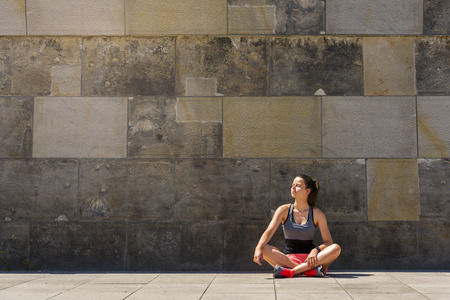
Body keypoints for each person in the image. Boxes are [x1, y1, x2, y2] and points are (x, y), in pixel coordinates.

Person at [253, 174, 341, 278]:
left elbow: (328, 242)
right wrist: (258, 248)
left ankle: (292, 272)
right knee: (263, 248)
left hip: (312, 259)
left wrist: (315, 250)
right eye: (292, 185)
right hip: (289, 260)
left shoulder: (317, 213)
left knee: (336, 248)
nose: (293, 188)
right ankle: (306, 271)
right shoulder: (284, 210)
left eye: (298, 185)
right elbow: (269, 231)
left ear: (307, 191)